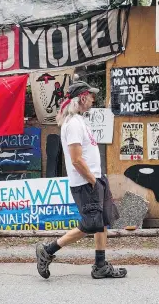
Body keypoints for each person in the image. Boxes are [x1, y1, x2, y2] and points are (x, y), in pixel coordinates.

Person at [35, 80, 126, 280]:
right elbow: (76, 160)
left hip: (94, 179)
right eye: (91, 95)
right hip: (86, 182)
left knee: (101, 222)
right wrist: (92, 179)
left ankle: (100, 266)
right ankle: (48, 250)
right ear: (82, 97)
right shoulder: (73, 123)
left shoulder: (79, 120)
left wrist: (98, 178)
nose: (94, 98)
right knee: (90, 224)